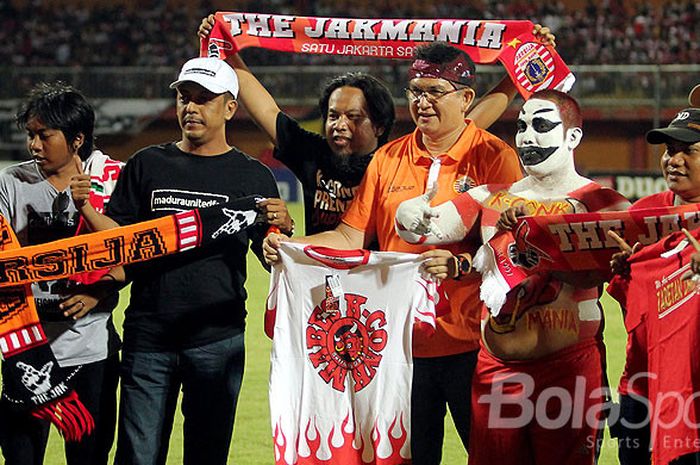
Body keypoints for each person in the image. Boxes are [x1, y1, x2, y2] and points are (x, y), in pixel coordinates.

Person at [264, 42, 522, 464]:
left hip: (475, 344)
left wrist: (458, 265)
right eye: (415, 91)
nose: (422, 102)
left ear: (466, 98)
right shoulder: (387, 159)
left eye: (434, 92)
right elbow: (350, 236)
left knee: (491, 456)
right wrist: (290, 246)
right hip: (400, 351)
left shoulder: (495, 158)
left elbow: (508, 248)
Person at [71, 57, 293, 465]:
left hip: (218, 340)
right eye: (184, 97)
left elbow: (271, 256)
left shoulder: (253, 176)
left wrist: (283, 231)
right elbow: (121, 245)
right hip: (148, 337)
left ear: (229, 108)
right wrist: (86, 209)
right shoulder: (146, 164)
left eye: (203, 99)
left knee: (206, 456)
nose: (190, 107)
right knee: (138, 456)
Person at [393, 89, 630, 465]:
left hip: (568, 372)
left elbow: (632, 263)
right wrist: (409, 215)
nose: (527, 137)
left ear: (572, 137)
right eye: (521, 127)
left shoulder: (602, 202)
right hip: (496, 373)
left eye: (541, 126)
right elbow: (425, 229)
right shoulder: (490, 197)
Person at [198, 15, 554, 235]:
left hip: (381, 282)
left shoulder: (394, 159)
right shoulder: (313, 154)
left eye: (354, 117)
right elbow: (263, 106)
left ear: (380, 124)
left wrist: (521, 61)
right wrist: (226, 48)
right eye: (333, 116)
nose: (339, 125)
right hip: (326, 274)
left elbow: (467, 119)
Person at [0, 82, 123, 465]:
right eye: (30, 135)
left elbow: (128, 259)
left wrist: (96, 294)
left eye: (44, 135)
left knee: (88, 457)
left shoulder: (111, 180)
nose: (34, 146)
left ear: (76, 139)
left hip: (90, 351)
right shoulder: (10, 182)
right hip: (26, 349)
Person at [608, 107, 700, 465]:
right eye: (668, 150)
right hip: (641, 387)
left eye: (687, 150)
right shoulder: (643, 215)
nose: (673, 160)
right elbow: (633, 315)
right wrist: (626, 275)